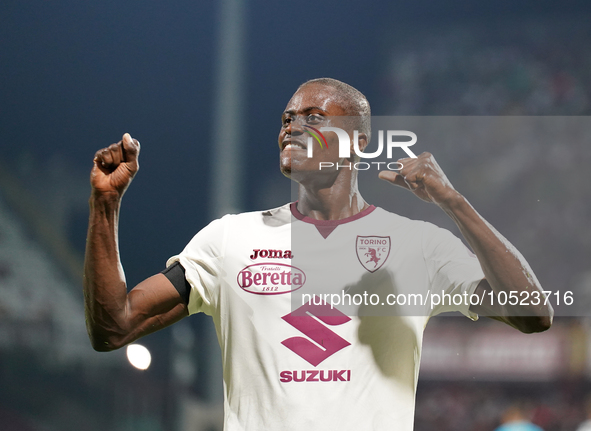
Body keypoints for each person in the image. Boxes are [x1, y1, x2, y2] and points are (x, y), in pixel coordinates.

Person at [84, 78, 553, 430]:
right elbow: (113, 327)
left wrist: (454, 203)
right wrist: (106, 206)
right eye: (288, 118)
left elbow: (533, 315)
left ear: (358, 142)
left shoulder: (419, 246)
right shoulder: (229, 239)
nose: (293, 126)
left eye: (314, 116)